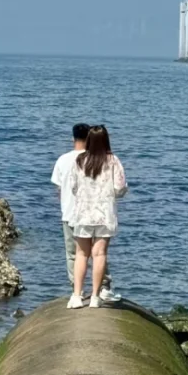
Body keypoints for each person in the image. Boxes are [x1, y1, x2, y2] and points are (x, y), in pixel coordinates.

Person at [52, 125, 121, 304]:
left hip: (79, 213)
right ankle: (98, 295)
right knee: (99, 254)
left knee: (79, 254)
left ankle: (76, 295)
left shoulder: (77, 160)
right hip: (104, 214)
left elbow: (70, 187)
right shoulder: (112, 160)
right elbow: (120, 188)